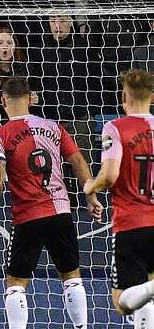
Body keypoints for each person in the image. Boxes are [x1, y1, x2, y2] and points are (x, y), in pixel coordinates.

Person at [0, 77, 102, 329]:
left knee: (15, 284)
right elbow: (78, 161)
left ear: (3, 100)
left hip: (27, 217)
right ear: (30, 99)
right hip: (61, 212)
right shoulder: (54, 126)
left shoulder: (0, 135)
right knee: (71, 276)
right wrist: (91, 195)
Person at [83, 69, 154, 328]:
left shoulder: (115, 128)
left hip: (131, 223)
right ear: (152, 97)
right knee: (146, 298)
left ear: (124, 97)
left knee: (122, 303)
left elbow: (110, 175)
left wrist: (91, 186)